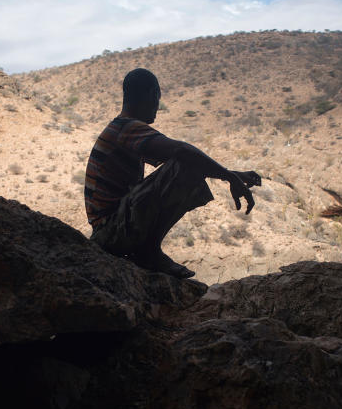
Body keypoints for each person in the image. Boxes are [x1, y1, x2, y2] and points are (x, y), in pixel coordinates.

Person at [83, 68, 262, 278]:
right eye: (158, 98)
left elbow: (178, 161)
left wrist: (232, 174)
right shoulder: (127, 129)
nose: (158, 106)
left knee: (188, 163)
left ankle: (148, 250)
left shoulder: (121, 129)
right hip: (110, 232)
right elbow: (181, 153)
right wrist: (228, 177)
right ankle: (149, 250)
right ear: (152, 95)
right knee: (186, 163)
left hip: (110, 229)